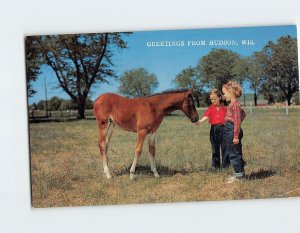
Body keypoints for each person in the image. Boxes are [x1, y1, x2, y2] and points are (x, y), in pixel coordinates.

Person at [197, 89, 229, 171]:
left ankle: (225, 166)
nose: (213, 101)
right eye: (211, 99)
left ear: (219, 98)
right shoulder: (210, 108)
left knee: (225, 148)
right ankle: (215, 166)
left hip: (224, 129)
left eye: (214, 99)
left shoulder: (225, 108)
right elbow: (206, 117)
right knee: (215, 148)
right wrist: (199, 122)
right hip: (214, 129)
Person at [221, 81, 246, 183]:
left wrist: (236, 135)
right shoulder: (232, 104)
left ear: (231, 92)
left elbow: (237, 120)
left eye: (224, 93)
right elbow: (243, 114)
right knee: (232, 152)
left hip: (232, 131)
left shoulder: (235, 104)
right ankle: (238, 174)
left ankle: (239, 177)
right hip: (230, 130)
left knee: (235, 154)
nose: (223, 95)